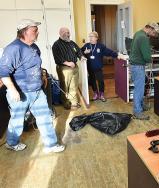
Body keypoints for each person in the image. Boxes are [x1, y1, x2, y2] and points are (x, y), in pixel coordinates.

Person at [0, 19, 65, 153]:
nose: (37, 32)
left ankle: (51, 144)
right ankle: (11, 143)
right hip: (20, 92)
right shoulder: (13, 49)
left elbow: (36, 65)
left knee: (44, 117)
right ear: (24, 32)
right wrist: (12, 90)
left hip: (37, 91)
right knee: (17, 120)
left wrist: (42, 76)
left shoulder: (34, 47)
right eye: (34, 30)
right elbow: (3, 72)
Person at [129, 23, 159, 120]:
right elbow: (147, 56)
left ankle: (141, 105)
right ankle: (137, 111)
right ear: (150, 28)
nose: (153, 34)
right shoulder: (144, 38)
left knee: (140, 88)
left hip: (134, 65)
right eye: (153, 32)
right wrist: (149, 58)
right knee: (139, 89)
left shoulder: (138, 33)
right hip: (138, 66)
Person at [81, 31, 123, 102]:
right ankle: (95, 93)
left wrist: (116, 55)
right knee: (92, 81)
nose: (90, 38)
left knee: (100, 81)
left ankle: (101, 94)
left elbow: (108, 51)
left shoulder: (100, 46)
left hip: (98, 67)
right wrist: (84, 53)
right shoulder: (87, 45)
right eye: (90, 36)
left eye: (92, 36)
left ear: (96, 38)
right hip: (90, 67)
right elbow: (80, 51)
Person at [52, 27, 83, 110]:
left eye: (68, 32)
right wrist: (68, 63)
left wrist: (82, 57)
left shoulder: (72, 43)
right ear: (61, 33)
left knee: (74, 86)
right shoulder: (56, 44)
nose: (68, 34)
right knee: (65, 87)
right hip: (64, 68)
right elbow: (57, 58)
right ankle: (66, 103)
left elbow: (78, 51)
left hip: (74, 67)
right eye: (66, 32)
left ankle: (73, 102)